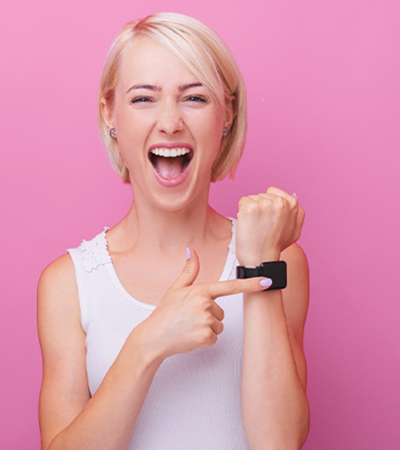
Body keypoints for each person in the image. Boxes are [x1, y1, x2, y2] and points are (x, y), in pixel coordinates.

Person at [37, 12, 309, 449]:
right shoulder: (69, 284)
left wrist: (258, 264)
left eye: (195, 98)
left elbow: (278, 443)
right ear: (110, 113)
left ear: (227, 114)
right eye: (143, 99)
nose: (169, 122)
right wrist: (148, 343)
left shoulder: (278, 259)